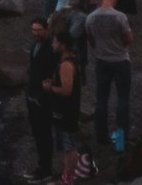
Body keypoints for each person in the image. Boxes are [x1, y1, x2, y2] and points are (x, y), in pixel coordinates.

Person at [85, 0, 132, 149]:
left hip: (102, 61)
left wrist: (100, 48)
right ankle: (120, 142)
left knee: (102, 99)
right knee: (122, 101)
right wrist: (120, 47)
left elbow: (90, 39)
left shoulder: (90, 17)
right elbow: (128, 39)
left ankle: (102, 138)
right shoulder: (120, 17)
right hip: (120, 61)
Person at [43, 29, 81, 185]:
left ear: (63, 45)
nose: (53, 44)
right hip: (66, 110)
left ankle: (68, 179)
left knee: (69, 145)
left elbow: (66, 91)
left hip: (66, 111)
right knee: (68, 145)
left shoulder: (66, 64)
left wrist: (49, 88)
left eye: (55, 42)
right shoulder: (71, 59)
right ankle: (68, 174)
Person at [25, 16, 56, 185]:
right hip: (32, 95)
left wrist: (41, 97)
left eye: (38, 30)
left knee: (44, 135)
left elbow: (51, 75)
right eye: (33, 30)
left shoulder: (49, 49)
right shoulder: (34, 46)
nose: (35, 33)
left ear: (46, 30)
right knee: (37, 134)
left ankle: (46, 170)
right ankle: (42, 167)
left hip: (42, 99)